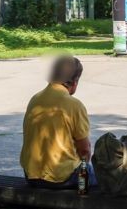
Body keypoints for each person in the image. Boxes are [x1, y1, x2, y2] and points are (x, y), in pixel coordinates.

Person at [20, 55, 97, 189]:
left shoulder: (35, 99)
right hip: (62, 178)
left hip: (31, 176)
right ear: (75, 81)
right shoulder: (74, 105)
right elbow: (84, 150)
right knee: (101, 175)